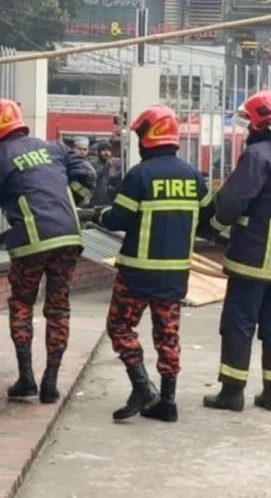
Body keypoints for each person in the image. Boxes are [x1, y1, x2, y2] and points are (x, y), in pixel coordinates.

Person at [0, 99, 95, 404]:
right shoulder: (55, 148)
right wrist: (73, 200)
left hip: (31, 242)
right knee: (58, 309)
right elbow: (87, 173)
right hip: (69, 239)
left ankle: (27, 379)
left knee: (22, 304)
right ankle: (51, 383)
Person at [95, 105, 214, 422]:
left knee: (120, 327)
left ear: (149, 136)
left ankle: (142, 385)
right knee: (168, 336)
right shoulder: (193, 176)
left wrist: (100, 214)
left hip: (136, 273)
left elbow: (118, 217)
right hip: (175, 274)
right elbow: (209, 221)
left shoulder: (140, 175)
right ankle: (169, 402)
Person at [199, 90, 271, 413]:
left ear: (262, 120)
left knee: (239, 323)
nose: (247, 129)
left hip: (254, 257)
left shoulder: (258, 155)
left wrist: (211, 227)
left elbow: (232, 202)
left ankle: (232, 393)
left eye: (250, 121)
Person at [91, 141, 122, 207]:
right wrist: (106, 167)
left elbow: (115, 178)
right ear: (99, 152)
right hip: (97, 198)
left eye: (108, 150)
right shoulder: (93, 163)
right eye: (104, 150)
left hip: (110, 198)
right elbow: (94, 175)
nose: (106, 153)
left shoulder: (114, 164)